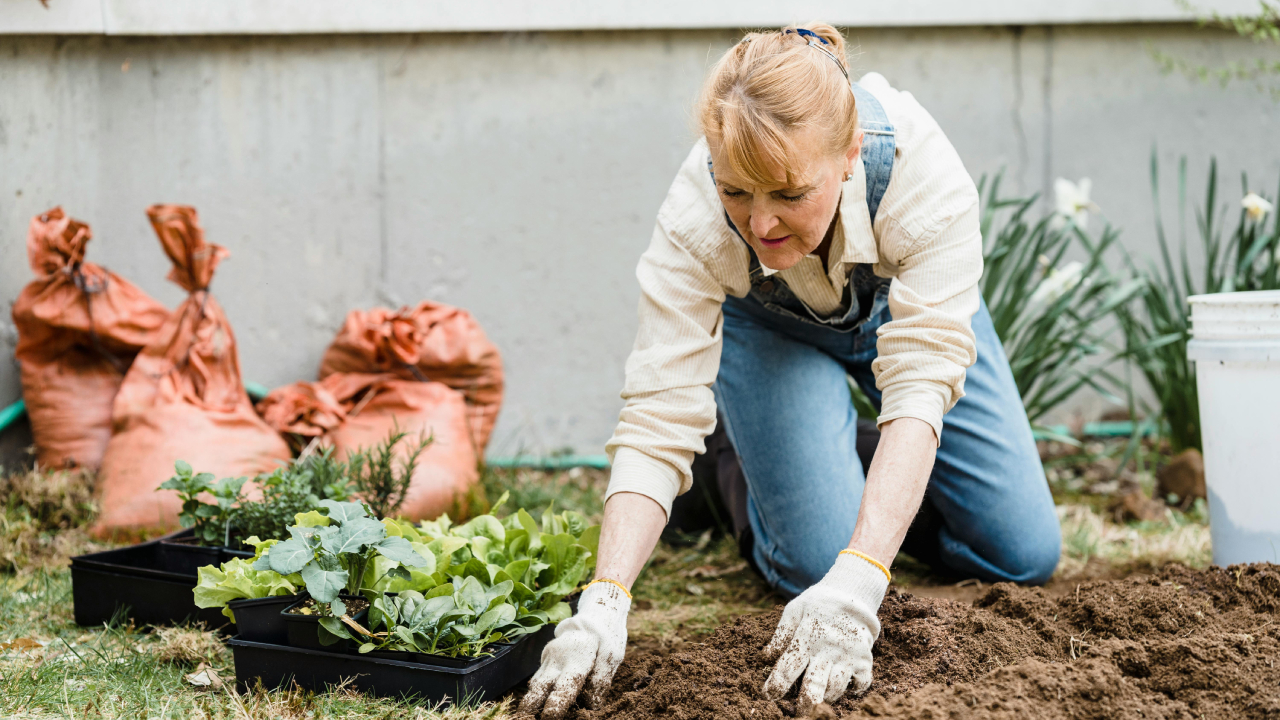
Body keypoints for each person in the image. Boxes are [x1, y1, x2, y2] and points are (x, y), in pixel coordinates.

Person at [519, 23, 1061, 718]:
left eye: (789, 192)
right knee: (814, 563)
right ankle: (733, 465)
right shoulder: (693, 219)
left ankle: (812, 452)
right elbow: (658, 414)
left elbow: (921, 385)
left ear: (849, 152)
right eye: (736, 192)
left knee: (1023, 554)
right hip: (769, 330)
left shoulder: (921, 174)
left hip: (904, 316)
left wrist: (862, 577)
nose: (761, 225)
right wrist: (604, 602)